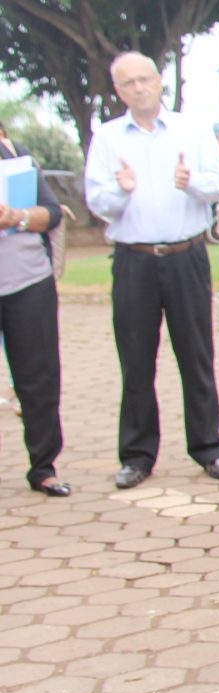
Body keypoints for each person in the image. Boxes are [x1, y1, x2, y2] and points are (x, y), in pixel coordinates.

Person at [83, 52, 219, 489]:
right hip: (135, 259)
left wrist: (192, 182)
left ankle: (210, 448)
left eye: (145, 79)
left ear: (158, 81)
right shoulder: (107, 138)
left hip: (186, 256)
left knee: (197, 355)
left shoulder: (191, 129)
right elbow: (97, 201)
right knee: (135, 361)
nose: (139, 88)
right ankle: (137, 455)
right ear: (118, 91)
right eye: (128, 82)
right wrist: (121, 190)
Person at [0, 120, 67, 496]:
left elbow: (52, 213)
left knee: (39, 378)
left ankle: (44, 468)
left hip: (28, 282)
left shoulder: (16, 156)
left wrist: (18, 217)